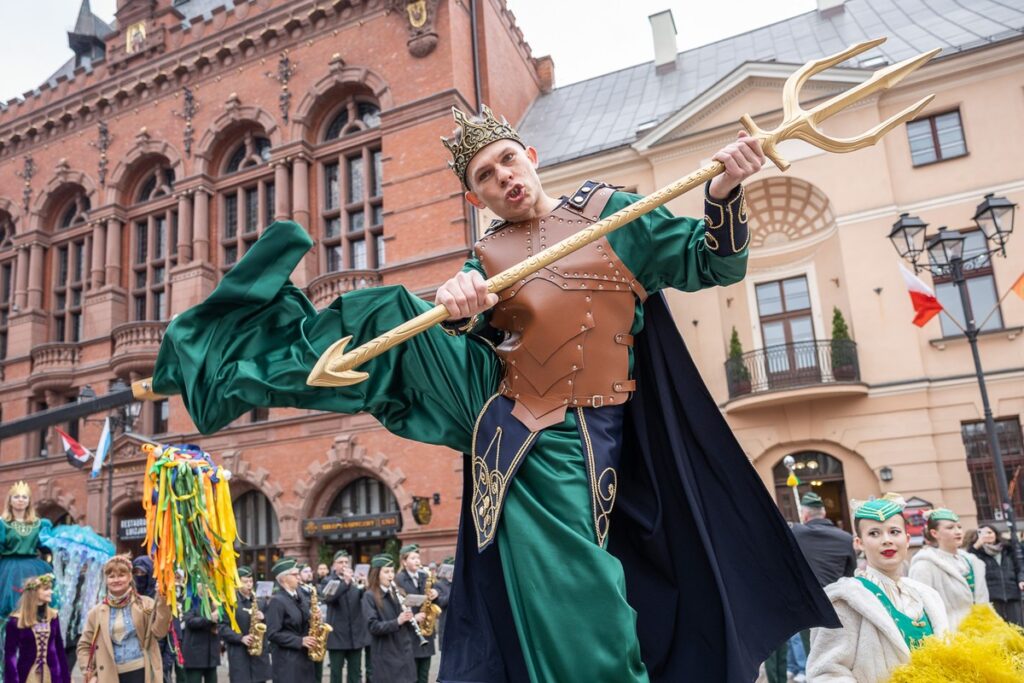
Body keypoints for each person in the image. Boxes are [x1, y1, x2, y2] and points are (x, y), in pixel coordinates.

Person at [153, 104, 838, 682]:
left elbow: (712, 260)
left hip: (598, 432)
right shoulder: (487, 261)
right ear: (474, 197)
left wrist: (723, 195)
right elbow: (470, 326)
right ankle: (226, 362)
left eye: (507, 160)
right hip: (517, 420)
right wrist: (457, 300)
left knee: (593, 601)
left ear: (531, 156)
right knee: (390, 314)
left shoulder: (609, 212)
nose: (502, 176)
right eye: (484, 176)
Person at [806, 497, 949, 682]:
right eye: (874, 533)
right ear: (859, 543)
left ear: (906, 539)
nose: (886, 540)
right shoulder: (845, 600)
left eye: (894, 532)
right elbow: (825, 673)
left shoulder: (928, 596)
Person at [76, 555, 172, 683]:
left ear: (129, 577)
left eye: (121, 575)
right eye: (111, 576)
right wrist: (89, 673)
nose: (116, 580)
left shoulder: (146, 604)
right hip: (109, 676)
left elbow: (160, 633)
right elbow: (84, 646)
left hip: (142, 673)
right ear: (106, 580)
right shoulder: (96, 612)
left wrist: (162, 600)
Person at [1, 480, 55, 671]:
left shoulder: (40, 524)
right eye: (17, 496)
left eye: (24, 496)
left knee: (36, 612)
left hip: (34, 570)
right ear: (10, 500)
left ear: (29, 500)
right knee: (10, 613)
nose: (20, 500)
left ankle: (35, 660)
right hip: (8, 571)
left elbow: (47, 545)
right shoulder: (3, 524)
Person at [908, 508, 989, 629]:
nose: (958, 532)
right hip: (950, 634)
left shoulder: (971, 561)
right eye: (950, 528)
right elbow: (920, 609)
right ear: (935, 533)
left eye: (959, 527)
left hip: (981, 629)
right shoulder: (924, 565)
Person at [3, 574, 71, 683]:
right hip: (26, 675)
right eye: (46, 589)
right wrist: (12, 680)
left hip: (53, 676)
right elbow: (10, 655)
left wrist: (66, 678)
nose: (51, 592)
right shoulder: (16, 620)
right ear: (34, 592)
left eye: (50, 588)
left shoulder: (53, 616)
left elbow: (59, 649)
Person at [361, 555, 416, 683]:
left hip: (404, 651)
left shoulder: (399, 592)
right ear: (376, 574)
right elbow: (373, 627)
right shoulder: (369, 596)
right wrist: (397, 621)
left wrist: (411, 618)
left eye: (392, 571)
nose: (390, 575)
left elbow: (405, 624)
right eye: (386, 572)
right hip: (385, 655)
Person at [393, 545, 441, 683]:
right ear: (404, 561)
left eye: (418, 557)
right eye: (413, 558)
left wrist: (435, 593)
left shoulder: (425, 576)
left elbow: (437, 591)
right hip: (409, 634)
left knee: (424, 674)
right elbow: (396, 606)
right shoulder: (398, 579)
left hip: (426, 632)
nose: (417, 560)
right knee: (410, 676)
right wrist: (413, 617)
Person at [264, 557, 316, 683]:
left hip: (304, 658)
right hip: (287, 662)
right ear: (284, 579)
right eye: (295, 574)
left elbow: (303, 620)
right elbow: (272, 634)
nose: (299, 577)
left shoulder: (300, 595)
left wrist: (314, 617)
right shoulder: (277, 601)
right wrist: (300, 641)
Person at [320, 551, 370, 683]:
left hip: (355, 636)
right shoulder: (328, 581)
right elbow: (329, 599)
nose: (344, 565)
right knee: (336, 673)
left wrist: (365, 586)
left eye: (346, 562)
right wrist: (346, 583)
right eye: (340, 562)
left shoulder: (355, 581)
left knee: (356, 673)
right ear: (334, 566)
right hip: (337, 636)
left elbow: (365, 601)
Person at [219, 566, 272, 683]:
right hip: (239, 655)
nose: (249, 585)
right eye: (245, 582)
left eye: (251, 581)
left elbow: (272, 625)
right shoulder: (230, 602)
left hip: (259, 657)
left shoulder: (260, 601)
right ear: (237, 583)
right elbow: (222, 627)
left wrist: (264, 618)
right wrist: (240, 638)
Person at [966, 524, 1024, 626]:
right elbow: (968, 561)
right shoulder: (977, 553)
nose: (988, 535)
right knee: (999, 629)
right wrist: (977, 544)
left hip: (1012, 593)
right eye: (984, 533)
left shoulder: (1008, 549)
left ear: (995, 534)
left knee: (1018, 627)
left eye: (990, 532)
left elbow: (1019, 566)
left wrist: (1021, 579)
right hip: (992, 596)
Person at [179, 587, 220, 683]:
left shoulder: (214, 601)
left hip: (211, 655)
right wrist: (209, 618)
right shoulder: (189, 600)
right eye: (203, 581)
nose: (206, 585)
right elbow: (190, 621)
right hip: (195, 656)